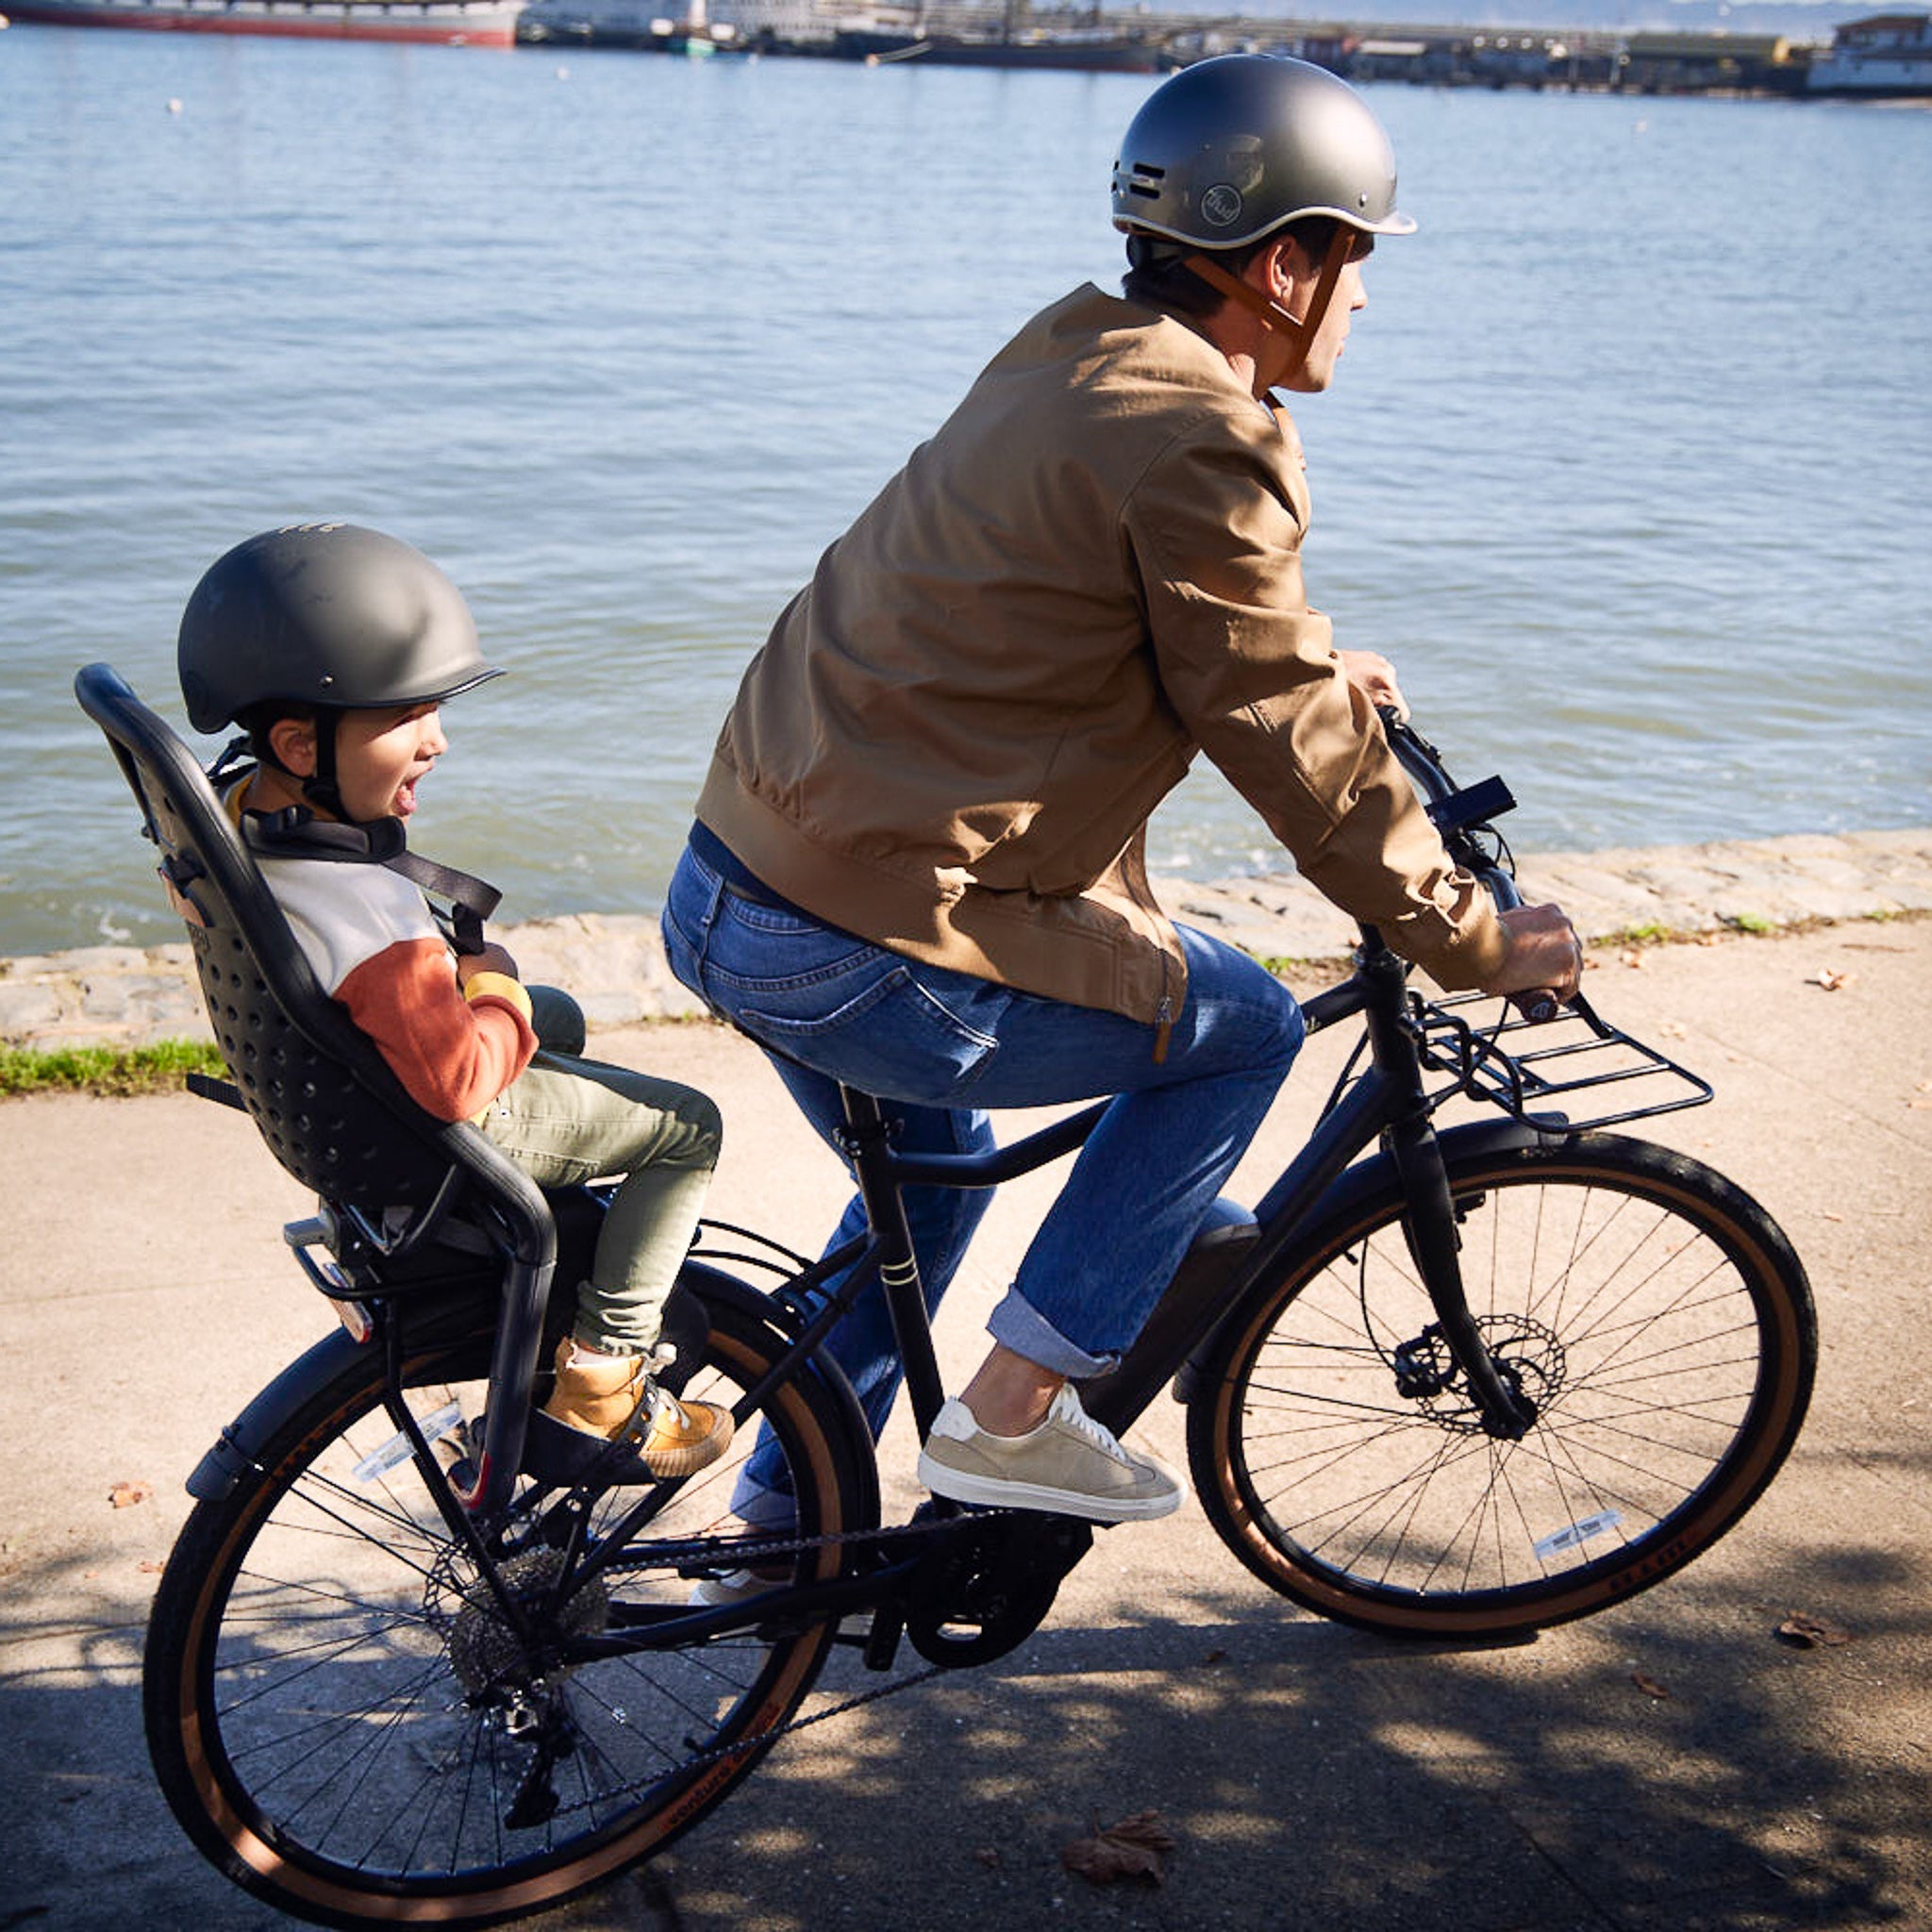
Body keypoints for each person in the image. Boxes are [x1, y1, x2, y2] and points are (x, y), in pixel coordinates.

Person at [661, 56, 1581, 1534]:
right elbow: (1283, 737)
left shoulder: (1070, 344)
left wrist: (1311, 663)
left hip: (732, 884)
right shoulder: (1212, 433)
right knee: (1244, 1029)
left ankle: (788, 1527)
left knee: (936, 1173)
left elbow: (1083, 603)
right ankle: (1014, 1415)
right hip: (860, 950)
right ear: (1282, 265)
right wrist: (1471, 935)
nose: (1363, 294)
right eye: (1354, 257)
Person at [178, 521, 734, 1487]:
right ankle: (602, 1379)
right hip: (425, 1119)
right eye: (407, 717)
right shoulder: (367, 912)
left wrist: (507, 1001)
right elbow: (458, 1081)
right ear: (300, 743)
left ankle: (558, 1254)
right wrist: (493, 981)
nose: (436, 740)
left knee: (556, 1017)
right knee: (687, 1126)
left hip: (342, 1094)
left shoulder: (241, 820)